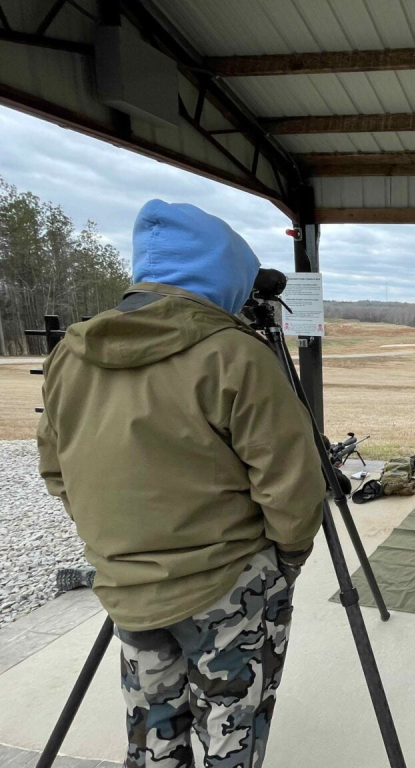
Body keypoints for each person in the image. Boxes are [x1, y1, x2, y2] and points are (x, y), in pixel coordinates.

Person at [37, 200, 325, 767]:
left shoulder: (70, 354)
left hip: (128, 585)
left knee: (153, 734)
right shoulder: (235, 354)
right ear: (227, 274)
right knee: (232, 733)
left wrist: (120, 543)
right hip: (229, 581)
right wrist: (288, 557)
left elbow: (57, 469)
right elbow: (291, 482)